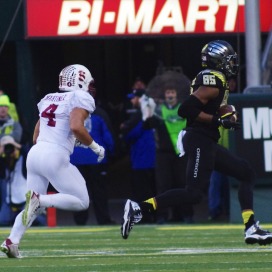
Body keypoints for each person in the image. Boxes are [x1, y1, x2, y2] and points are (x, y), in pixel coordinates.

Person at [120, 40, 272, 245]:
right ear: (218, 60)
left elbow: (220, 106)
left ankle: (250, 227)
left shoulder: (217, 81)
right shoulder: (214, 79)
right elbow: (186, 109)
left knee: (246, 173)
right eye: (228, 59)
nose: (232, 63)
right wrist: (217, 120)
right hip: (199, 140)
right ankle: (139, 208)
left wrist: (230, 114)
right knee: (193, 194)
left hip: (206, 140)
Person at [0, 64, 105, 258]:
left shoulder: (49, 98)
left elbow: (36, 135)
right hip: (54, 156)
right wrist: (95, 147)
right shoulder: (80, 97)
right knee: (81, 201)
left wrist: (72, 141)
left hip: (36, 153)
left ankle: (11, 241)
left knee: (30, 208)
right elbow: (75, 126)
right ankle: (41, 200)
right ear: (81, 81)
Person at [143, 87, 194, 223]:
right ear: (164, 96)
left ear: (177, 96)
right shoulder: (159, 111)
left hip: (181, 153)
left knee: (183, 185)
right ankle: (162, 216)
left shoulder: (184, 110)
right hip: (163, 154)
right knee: (163, 186)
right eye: (168, 93)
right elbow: (148, 125)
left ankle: (185, 215)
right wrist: (147, 112)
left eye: (172, 92)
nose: (170, 95)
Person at [70, 104, 115, 225]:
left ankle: (79, 221)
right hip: (96, 159)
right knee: (99, 192)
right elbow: (107, 137)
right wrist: (111, 153)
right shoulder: (99, 114)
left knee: (78, 192)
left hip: (76, 159)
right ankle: (103, 219)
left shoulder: (71, 114)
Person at [120, 89, 156, 222]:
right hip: (151, 159)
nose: (131, 100)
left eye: (133, 98)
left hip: (141, 160)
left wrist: (124, 130)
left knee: (142, 191)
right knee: (153, 190)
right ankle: (155, 216)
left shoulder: (139, 116)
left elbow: (129, 136)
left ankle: (146, 217)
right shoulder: (152, 114)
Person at [0, 135, 46, 226]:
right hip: (9, 201)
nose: (9, 149)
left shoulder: (24, 157)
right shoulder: (3, 161)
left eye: (11, 147)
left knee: (40, 221)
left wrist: (16, 145)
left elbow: (30, 153)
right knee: (2, 221)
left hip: (24, 198)